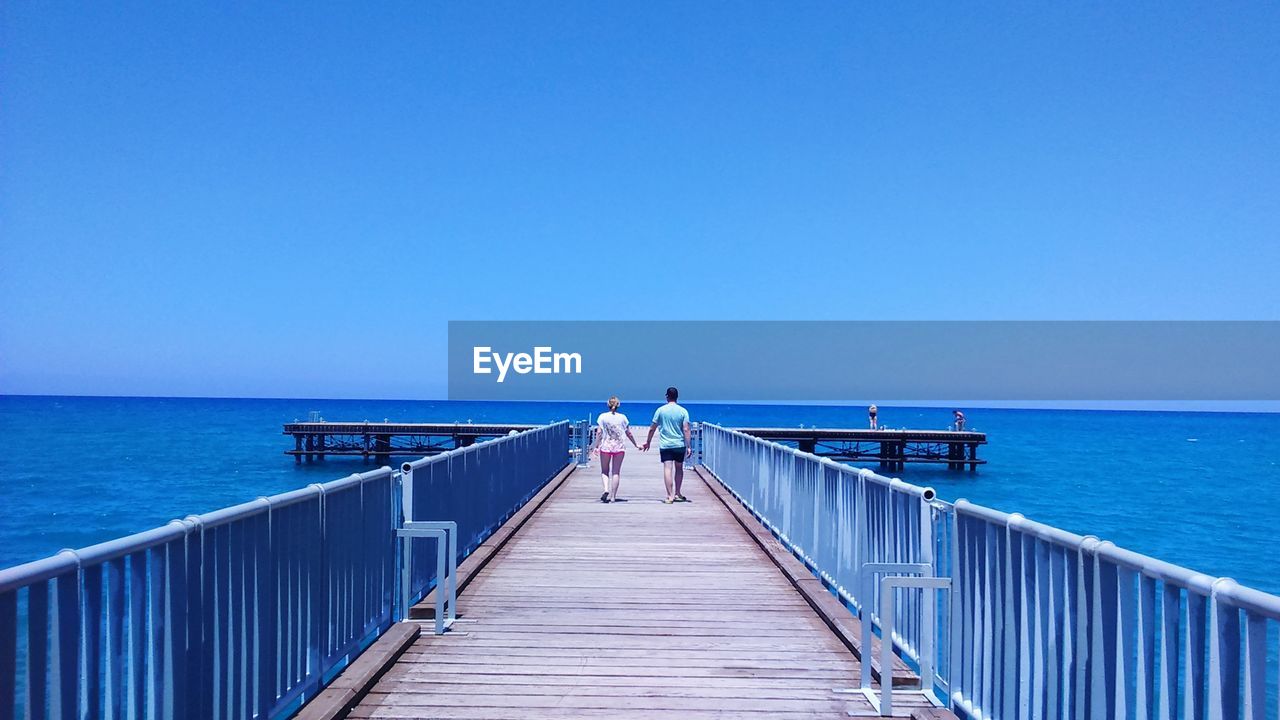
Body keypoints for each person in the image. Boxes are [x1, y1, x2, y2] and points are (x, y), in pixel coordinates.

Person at [642, 386, 691, 504]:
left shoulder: (660, 410)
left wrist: (648, 442)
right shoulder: (683, 411)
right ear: (677, 397)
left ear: (667, 396)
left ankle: (670, 496)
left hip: (666, 445)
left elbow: (652, 428)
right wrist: (688, 446)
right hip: (679, 444)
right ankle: (678, 493)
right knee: (679, 468)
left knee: (667, 468)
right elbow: (686, 429)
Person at [590, 396, 640, 503]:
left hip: (606, 447)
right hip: (619, 447)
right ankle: (613, 497)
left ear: (608, 405)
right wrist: (636, 444)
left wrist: (595, 446)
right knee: (616, 472)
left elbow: (599, 433)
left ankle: (606, 489)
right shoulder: (623, 417)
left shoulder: (602, 417)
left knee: (605, 470)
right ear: (618, 405)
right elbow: (629, 433)